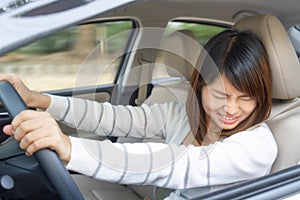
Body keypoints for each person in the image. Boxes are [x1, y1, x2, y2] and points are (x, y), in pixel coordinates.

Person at [0, 29, 277, 197]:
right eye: (219, 95)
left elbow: (170, 164)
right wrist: (40, 99)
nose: (230, 109)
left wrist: (71, 147)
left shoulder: (257, 147)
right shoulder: (184, 114)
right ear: (200, 86)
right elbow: (114, 117)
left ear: (261, 97)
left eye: (246, 98)